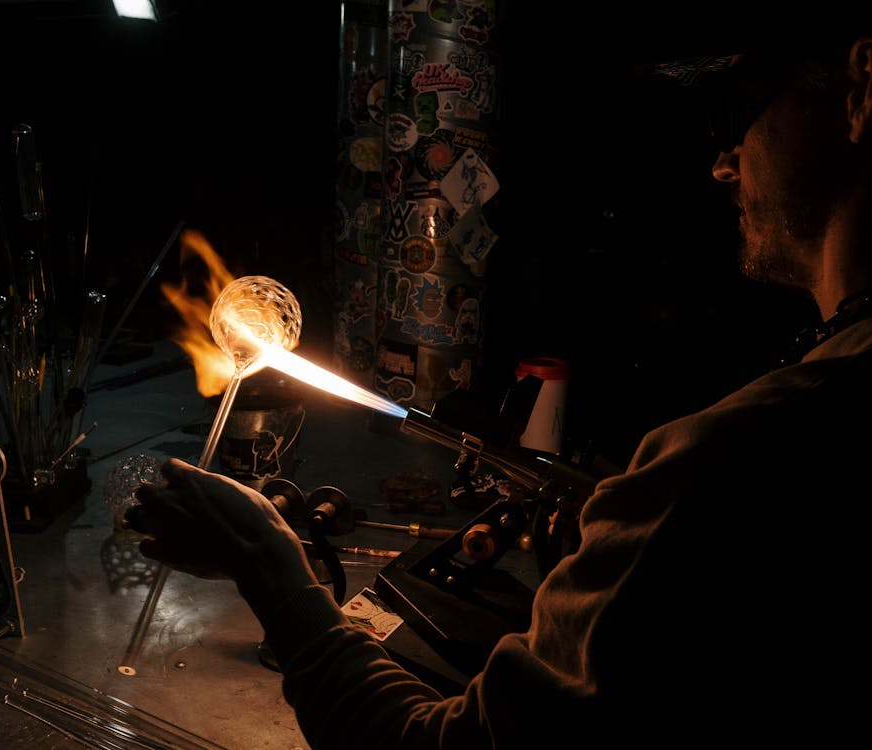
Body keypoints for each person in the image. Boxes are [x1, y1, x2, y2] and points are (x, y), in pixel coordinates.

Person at [126, 14, 872, 748]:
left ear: (861, 87)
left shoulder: (741, 454)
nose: (723, 162)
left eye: (741, 111)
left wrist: (268, 564)